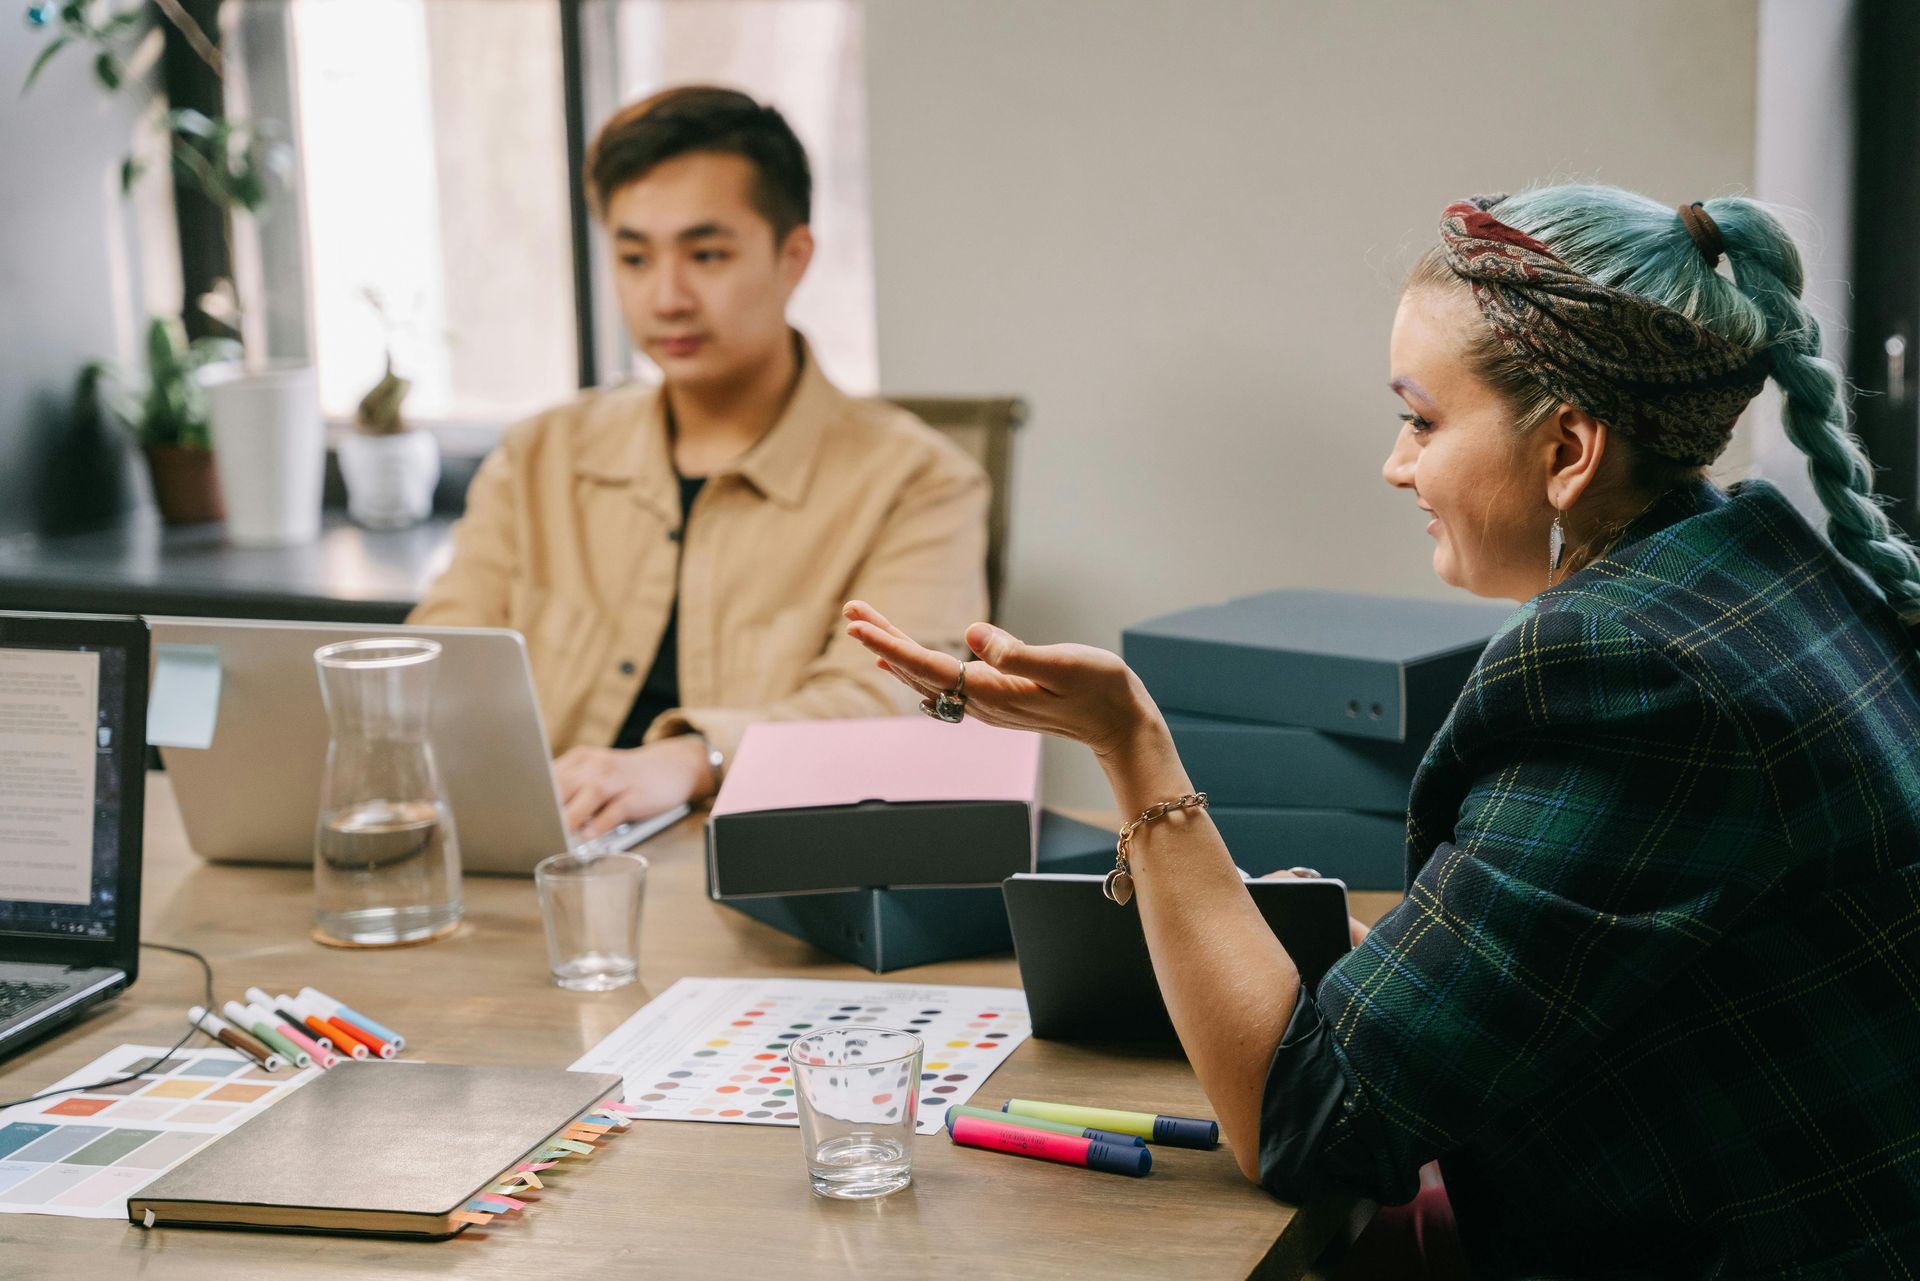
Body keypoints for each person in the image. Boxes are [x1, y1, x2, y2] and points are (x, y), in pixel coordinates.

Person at [846, 186, 1920, 1277]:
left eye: (1421, 419)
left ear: (1570, 450)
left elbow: (1314, 1129)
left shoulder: (1626, 677)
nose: (1396, 464)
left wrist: (1128, 742)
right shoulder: (1755, 565)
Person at [412, 87, 989, 838]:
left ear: (793, 257)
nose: (667, 297)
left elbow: (893, 703)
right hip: (536, 854)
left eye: (706, 254)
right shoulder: (538, 455)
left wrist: (694, 759)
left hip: (764, 866)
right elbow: (443, 660)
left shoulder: (918, 479)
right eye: (634, 257)